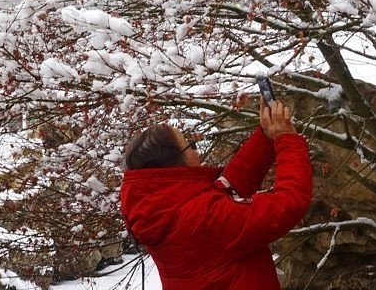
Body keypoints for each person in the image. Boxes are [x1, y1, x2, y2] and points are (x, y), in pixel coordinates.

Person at [119, 98, 312, 289]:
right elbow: (288, 204)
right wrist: (287, 139)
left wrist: (265, 137)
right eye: (190, 145)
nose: (197, 150)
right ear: (175, 164)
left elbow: (227, 187)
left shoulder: (159, 210)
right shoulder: (201, 217)